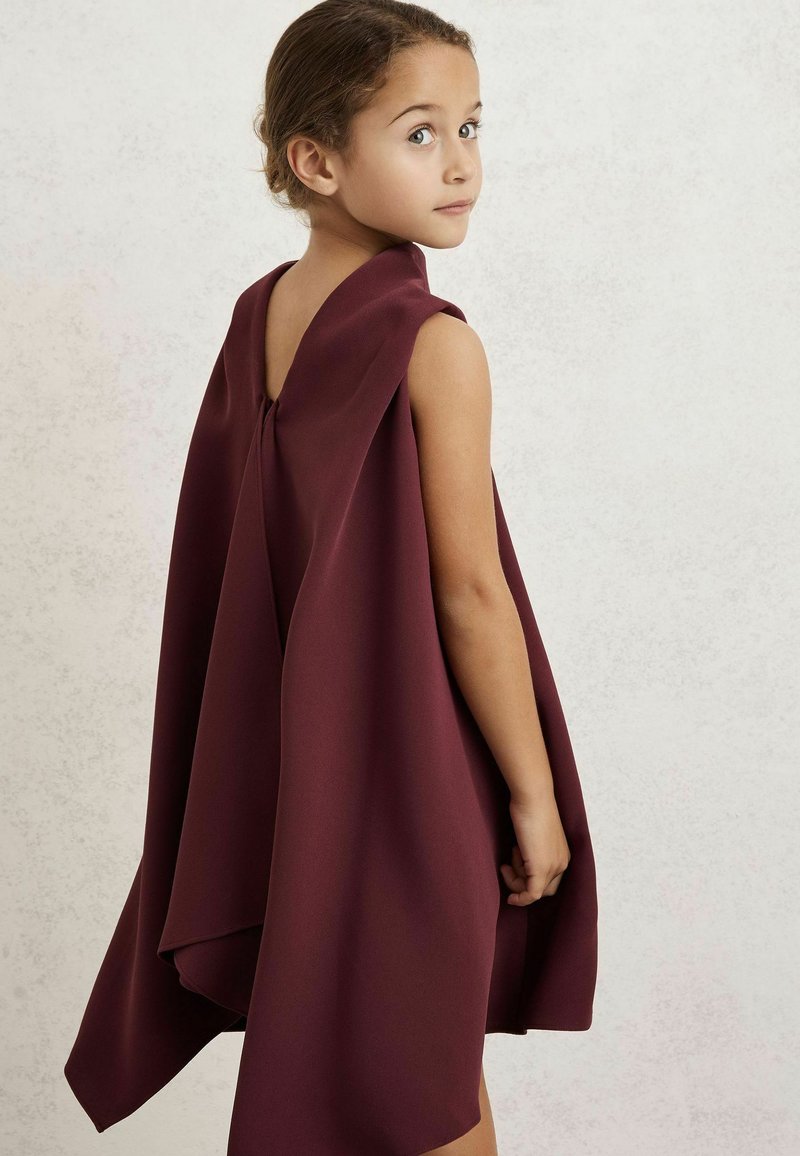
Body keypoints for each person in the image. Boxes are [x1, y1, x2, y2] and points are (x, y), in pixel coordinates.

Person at [64, 3, 598, 1154]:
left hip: (295, 778)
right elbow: (469, 594)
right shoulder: (434, 343)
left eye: (470, 125)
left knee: (412, 1070)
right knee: (426, 1085)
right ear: (314, 161)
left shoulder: (259, 315)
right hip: (404, 777)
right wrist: (533, 793)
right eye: (418, 133)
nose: (460, 163)